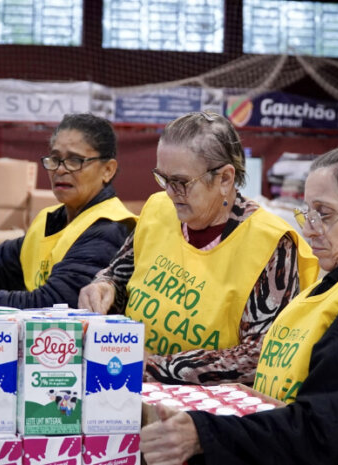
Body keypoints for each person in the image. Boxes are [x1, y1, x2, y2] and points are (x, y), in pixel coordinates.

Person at [140, 144, 338, 465]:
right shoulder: (337, 287)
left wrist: (206, 434)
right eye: (307, 213)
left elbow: (320, 431)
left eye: (324, 214)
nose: (309, 229)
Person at [79, 111, 319, 385]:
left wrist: (156, 367)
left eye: (181, 182)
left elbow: (259, 355)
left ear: (225, 179)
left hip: (210, 409)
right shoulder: (158, 209)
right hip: (128, 380)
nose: (169, 192)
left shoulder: (271, 243)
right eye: (162, 178)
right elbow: (119, 276)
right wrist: (103, 286)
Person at [0, 113, 137, 308]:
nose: (60, 169)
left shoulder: (110, 227)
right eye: (55, 159)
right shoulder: (50, 220)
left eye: (75, 160)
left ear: (108, 170)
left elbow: (51, 304)